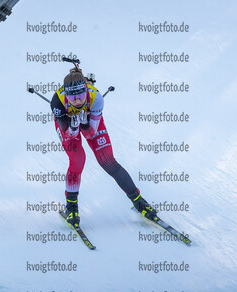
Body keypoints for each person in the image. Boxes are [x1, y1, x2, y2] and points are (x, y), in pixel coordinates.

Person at [50, 67, 158, 227]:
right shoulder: (57, 102)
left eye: (81, 96)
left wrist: (84, 123)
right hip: (68, 125)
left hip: (90, 121)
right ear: (66, 96)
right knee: (77, 160)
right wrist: (73, 127)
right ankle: (71, 207)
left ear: (86, 90)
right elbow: (68, 135)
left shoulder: (96, 98)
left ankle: (138, 202)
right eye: (73, 98)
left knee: (108, 161)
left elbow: (90, 133)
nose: (78, 101)